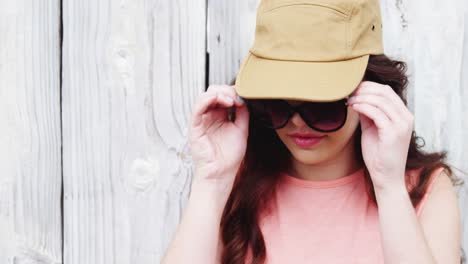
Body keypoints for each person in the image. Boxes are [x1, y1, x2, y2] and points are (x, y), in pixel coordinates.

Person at [162, 0, 463, 263]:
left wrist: (389, 187)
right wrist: (211, 180)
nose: (297, 122)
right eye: (278, 104)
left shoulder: (423, 189)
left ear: (371, 89)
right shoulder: (233, 183)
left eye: (322, 105)